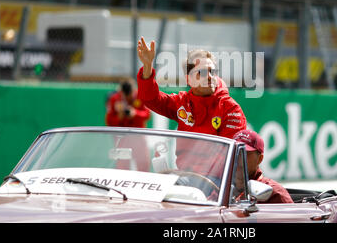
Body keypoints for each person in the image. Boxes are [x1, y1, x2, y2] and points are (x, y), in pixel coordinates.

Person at [136, 37, 247, 186]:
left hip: (216, 182)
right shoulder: (182, 102)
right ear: (189, 79)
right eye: (201, 72)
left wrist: (184, 176)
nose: (209, 76)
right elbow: (150, 99)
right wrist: (148, 66)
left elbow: (229, 159)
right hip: (186, 177)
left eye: (212, 71)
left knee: (168, 185)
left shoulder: (230, 108)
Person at [233, 129, 293, 204]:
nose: (238, 158)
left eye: (245, 153)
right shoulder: (218, 189)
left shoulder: (275, 193)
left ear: (260, 159)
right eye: (235, 151)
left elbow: (294, 215)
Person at [105, 77, 151, 171]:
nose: (127, 98)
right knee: (122, 166)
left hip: (138, 136)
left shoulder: (140, 96)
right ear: (121, 92)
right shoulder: (115, 99)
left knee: (143, 164)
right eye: (125, 95)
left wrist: (135, 113)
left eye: (129, 95)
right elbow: (109, 121)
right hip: (122, 137)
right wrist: (119, 116)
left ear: (133, 90)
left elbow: (147, 115)